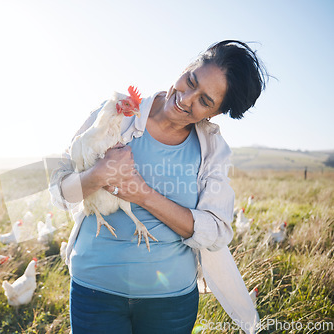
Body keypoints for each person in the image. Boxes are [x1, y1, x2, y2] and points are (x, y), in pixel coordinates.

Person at [49, 40, 268, 334]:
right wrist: (98, 174)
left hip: (169, 302)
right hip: (94, 290)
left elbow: (216, 232)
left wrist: (143, 195)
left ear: (214, 114)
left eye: (204, 101)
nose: (186, 98)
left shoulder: (212, 150)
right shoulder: (117, 112)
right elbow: (60, 193)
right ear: (186, 68)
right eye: (190, 81)